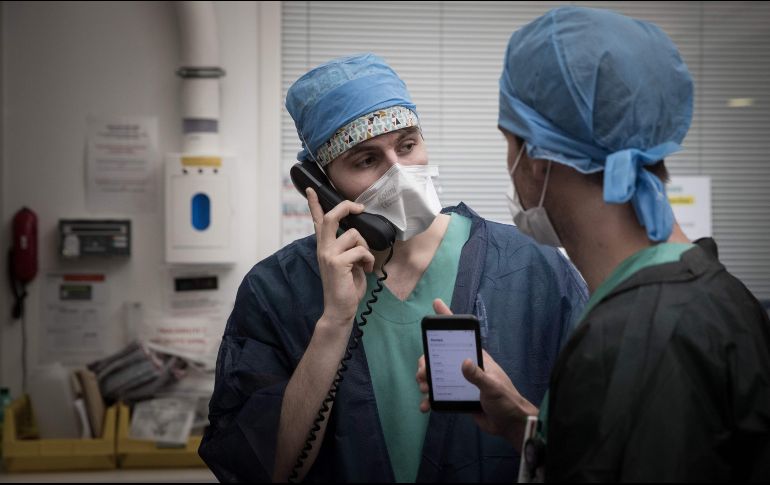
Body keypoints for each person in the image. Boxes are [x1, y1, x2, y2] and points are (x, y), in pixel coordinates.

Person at [417, 6, 770, 482]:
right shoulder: (716, 295)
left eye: (509, 143)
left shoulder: (633, 343)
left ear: (537, 158)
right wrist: (524, 425)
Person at [198, 53, 588, 482]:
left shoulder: (530, 267)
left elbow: (598, 446)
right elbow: (261, 469)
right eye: (366, 160)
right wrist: (334, 323)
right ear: (322, 185)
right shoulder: (276, 290)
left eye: (407, 145)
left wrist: (517, 418)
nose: (400, 172)